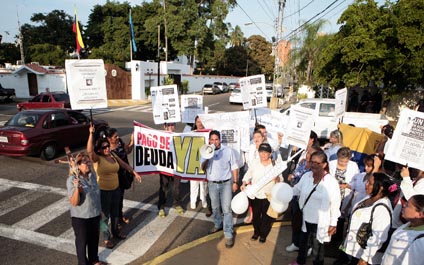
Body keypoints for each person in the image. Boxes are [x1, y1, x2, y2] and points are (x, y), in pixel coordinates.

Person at [87, 124, 141, 249]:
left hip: (116, 189)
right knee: (105, 217)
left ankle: (116, 232)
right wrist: (91, 134)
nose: (107, 149)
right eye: (104, 147)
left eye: (107, 146)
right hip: (104, 191)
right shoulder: (98, 159)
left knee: (115, 213)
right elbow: (89, 151)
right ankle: (106, 238)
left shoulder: (113, 155)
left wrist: (134, 173)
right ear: (99, 149)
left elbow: (124, 165)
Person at [289, 150, 341, 265]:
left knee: (318, 248)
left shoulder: (331, 182)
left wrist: (333, 223)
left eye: (317, 163)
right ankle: (300, 261)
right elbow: (297, 189)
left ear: (324, 164)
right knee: (303, 243)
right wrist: (283, 191)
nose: (314, 165)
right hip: (306, 218)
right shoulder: (306, 176)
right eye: (312, 162)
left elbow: (335, 204)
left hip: (321, 221)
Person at [337, 172, 394, 265]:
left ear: (381, 188)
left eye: (370, 183)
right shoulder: (369, 197)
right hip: (355, 251)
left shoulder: (382, 208)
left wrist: (365, 258)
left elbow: (378, 237)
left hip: (366, 257)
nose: (366, 184)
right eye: (367, 181)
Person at [201, 130, 239, 248]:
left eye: (216, 139)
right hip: (212, 184)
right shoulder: (205, 151)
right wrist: (208, 157)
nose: (214, 142)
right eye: (211, 140)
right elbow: (202, 168)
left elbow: (234, 166)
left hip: (226, 183)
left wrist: (235, 182)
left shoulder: (228, 151)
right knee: (215, 207)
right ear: (209, 141)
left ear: (220, 140)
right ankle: (217, 224)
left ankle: (228, 234)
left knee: (227, 209)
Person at [66, 152, 105, 265]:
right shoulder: (72, 180)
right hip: (81, 217)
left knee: (94, 239)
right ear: (78, 165)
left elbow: (96, 195)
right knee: (82, 243)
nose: (88, 164)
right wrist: (77, 189)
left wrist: (99, 212)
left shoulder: (91, 175)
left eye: (88, 161)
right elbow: (74, 202)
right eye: (85, 162)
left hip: (95, 214)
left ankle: (94, 260)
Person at [240, 143, 282, 243]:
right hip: (256, 194)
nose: (263, 155)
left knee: (266, 217)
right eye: (261, 152)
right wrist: (244, 183)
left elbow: (281, 180)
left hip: (268, 195)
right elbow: (248, 175)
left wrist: (277, 179)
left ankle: (263, 234)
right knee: (256, 215)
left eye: (265, 152)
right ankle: (256, 232)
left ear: (270, 153)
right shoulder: (254, 163)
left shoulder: (275, 164)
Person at [285, 145, 322, 255]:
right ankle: (296, 243)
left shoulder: (315, 170)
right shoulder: (302, 163)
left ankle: (308, 246)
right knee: (296, 222)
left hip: (308, 202)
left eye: (311, 154)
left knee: (307, 226)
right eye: (307, 153)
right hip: (296, 197)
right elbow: (295, 174)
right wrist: (291, 176)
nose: (307, 155)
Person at [381, 194, 424, 265]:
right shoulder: (407, 225)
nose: (403, 206)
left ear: (419, 215)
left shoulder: (421, 240)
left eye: (407, 205)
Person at [329, 147, 360, 243]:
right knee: (331, 215)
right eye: (341, 161)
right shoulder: (331, 164)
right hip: (333, 194)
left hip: (345, 195)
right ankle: (329, 237)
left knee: (341, 219)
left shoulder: (353, 166)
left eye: (345, 161)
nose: (343, 163)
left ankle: (336, 240)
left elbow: (357, 180)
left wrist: (348, 186)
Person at [106, 128, 134, 227]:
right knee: (115, 200)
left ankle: (120, 216)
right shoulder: (106, 150)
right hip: (114, 178)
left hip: (124, 176)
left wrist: (132, 141)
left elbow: (128, 151)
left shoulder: (120, 142)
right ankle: (116, 222)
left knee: (120, 197)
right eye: (115, 137)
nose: (118, 138)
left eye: (117, 136)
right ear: (109, 139)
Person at [158, 122, 184, 217]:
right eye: (168, 125)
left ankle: (177, 203)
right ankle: (161, 206)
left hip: (176, 167)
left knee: (176, 188)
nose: (171, 127)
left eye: (172, 125)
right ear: (164, 126)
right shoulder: (159, 137)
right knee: (164, 187)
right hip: (164, 167)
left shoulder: (179, 137)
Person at [189, 116, 208, 210]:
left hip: (204, 162)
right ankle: (193, 201)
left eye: (201, 122)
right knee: (193, 183)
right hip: (193, 162)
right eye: (198, 122)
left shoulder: (208, 133)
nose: (199, 124)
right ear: (195, 123)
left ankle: (203, 199)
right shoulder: (191, 133)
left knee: (203, 184)